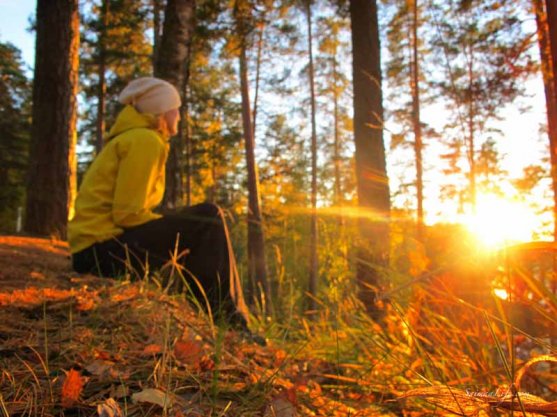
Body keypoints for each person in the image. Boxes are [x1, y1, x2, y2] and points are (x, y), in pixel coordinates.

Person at [68, 77, 249, 329]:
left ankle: (209, 311)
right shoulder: (145, 140)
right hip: (100, 254)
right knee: (207, 217)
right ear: (162, 111)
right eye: (176, 109)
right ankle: (226, 320)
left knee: (193, 220)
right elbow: (127, 214)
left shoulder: (133, 138)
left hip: (92, 251)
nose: (179, 115)